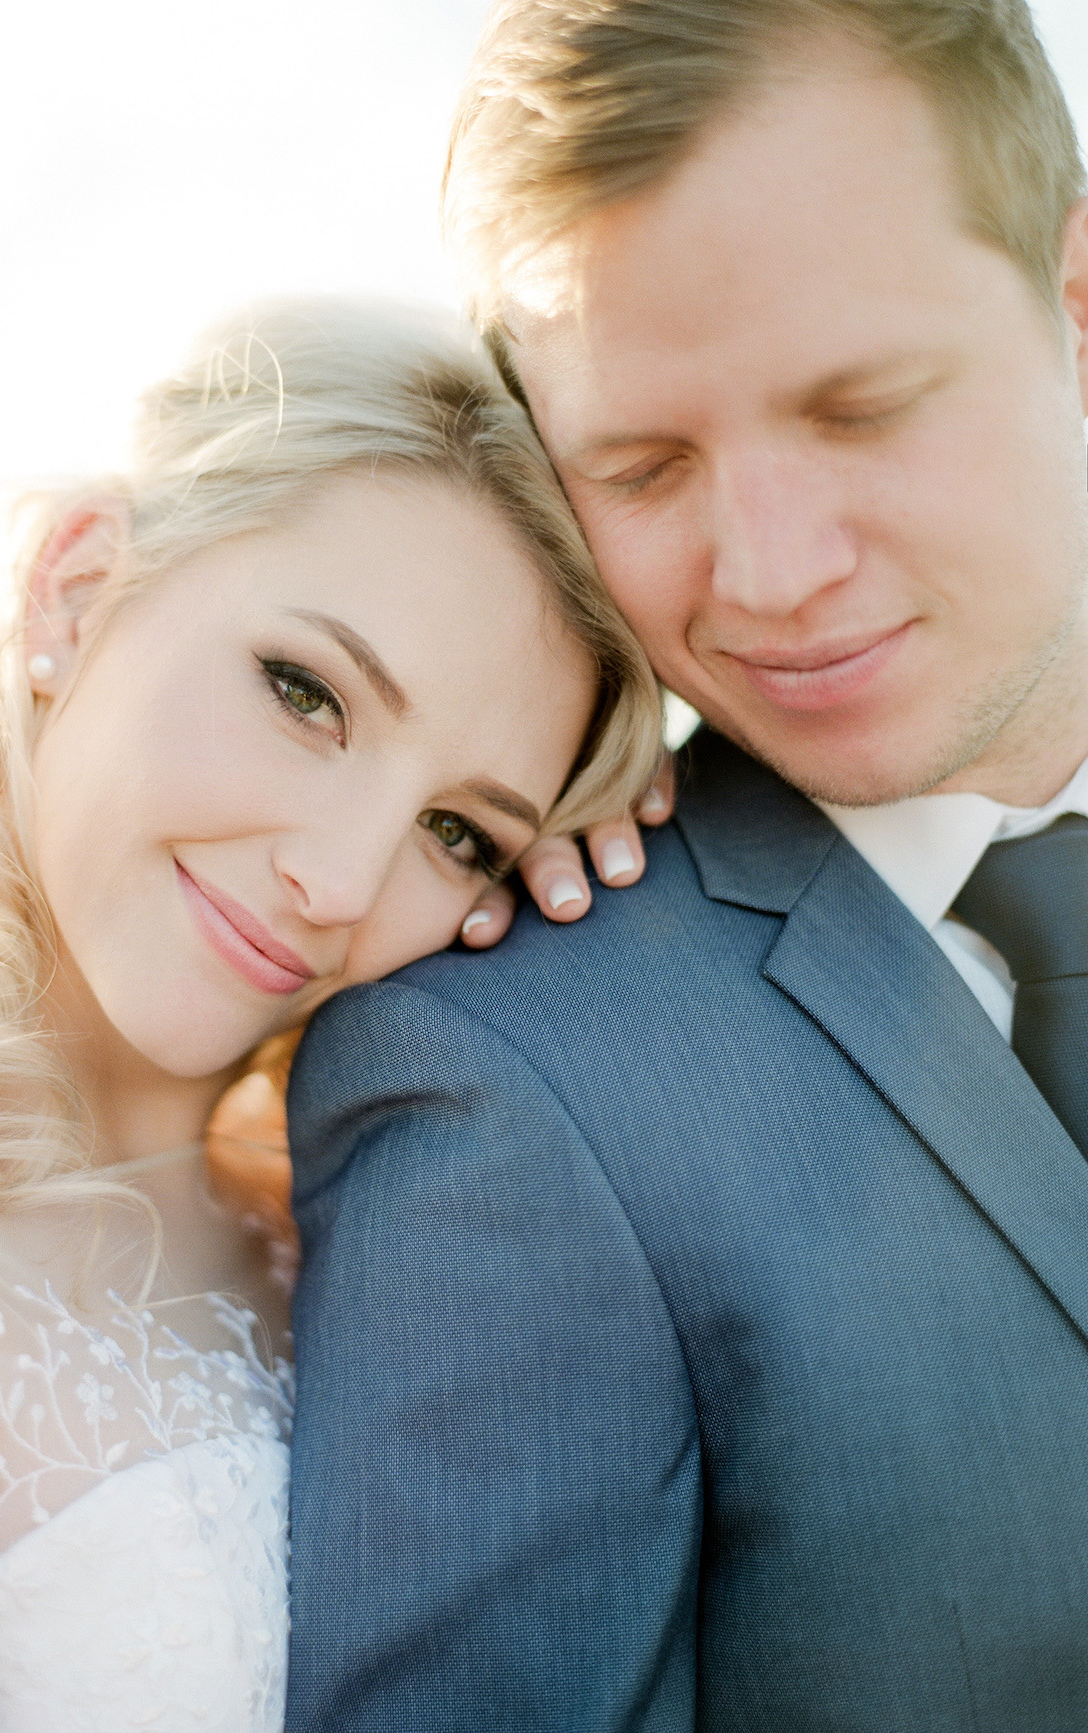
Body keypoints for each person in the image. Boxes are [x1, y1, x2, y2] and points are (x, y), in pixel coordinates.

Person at [285, 3, 1088, 1728]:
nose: (776, 573)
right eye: (641, 465)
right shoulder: (501, 1070)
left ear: (1076, 302)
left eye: (864, 407)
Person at [0, 297, 663, 1731]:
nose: (336, 878)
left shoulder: (335, 1220)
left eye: (460, 834)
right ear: (74, 591)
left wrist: (623, 915)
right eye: (305, 691)